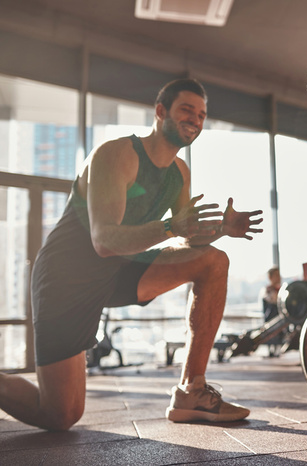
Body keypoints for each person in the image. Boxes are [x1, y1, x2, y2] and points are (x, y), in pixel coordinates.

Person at [0, 78, 264, 431]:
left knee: (214, 261)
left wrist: (220, 230)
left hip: (118, 270)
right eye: (186, 110)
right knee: (60, 415)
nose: (195, 120)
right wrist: (171, 227)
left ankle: (192, 390)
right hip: (67, 278)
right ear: (160, 112)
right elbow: (104, 241)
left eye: (201, 115)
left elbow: (188, 240)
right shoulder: (117, 154)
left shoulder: (179, 174)